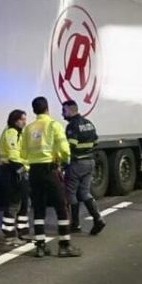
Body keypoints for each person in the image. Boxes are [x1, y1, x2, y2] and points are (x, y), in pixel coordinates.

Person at [20, 96, 81, 258]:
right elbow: (64, 148)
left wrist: (29, 165)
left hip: (34, 172)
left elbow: (23, 152)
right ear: (47, 108)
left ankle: (40, 246)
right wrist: (64, 161)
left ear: (34, 110)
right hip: (51, 170)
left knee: (38, 209)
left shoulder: (28, 128)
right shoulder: (54, 125)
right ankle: (64, 245)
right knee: (61, 207)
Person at [61, 100, 105, 235]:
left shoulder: (72, 126)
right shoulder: (88, 123)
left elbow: (71, 146)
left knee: (71, 194)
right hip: (90, 162)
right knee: (85, 193)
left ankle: (76, 224)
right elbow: (96, 142)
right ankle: (98, 219)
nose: (62, 113)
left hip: (76, 163)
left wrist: (63, 161)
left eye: (64, 110)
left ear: (70, 110)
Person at [0, 109, 31, 246]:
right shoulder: (11, 133)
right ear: (15, 120)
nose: (25, 122)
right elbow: (13, 156)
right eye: (22, 119)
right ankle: (10, 236)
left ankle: (22, 233)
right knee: (14, 203)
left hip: (15, 170)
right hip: (11, 170)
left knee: (23, 202)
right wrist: (25, 168)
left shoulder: (18, 133)